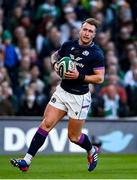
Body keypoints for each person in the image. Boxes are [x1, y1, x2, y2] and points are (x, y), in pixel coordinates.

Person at [10, 18, 105, 172]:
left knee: (74, 137)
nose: (87, 33)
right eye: (85, 29)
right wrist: (55, 66)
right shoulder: (68, 45)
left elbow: (100, 78)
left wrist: (79, 76)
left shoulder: (96, 54)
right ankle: (26, 161)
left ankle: (91, 150)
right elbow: (55, 56)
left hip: (79, 97)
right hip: (62, 92)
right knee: (46, 124)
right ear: (80, 30)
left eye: (90, 31)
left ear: (94, 35)